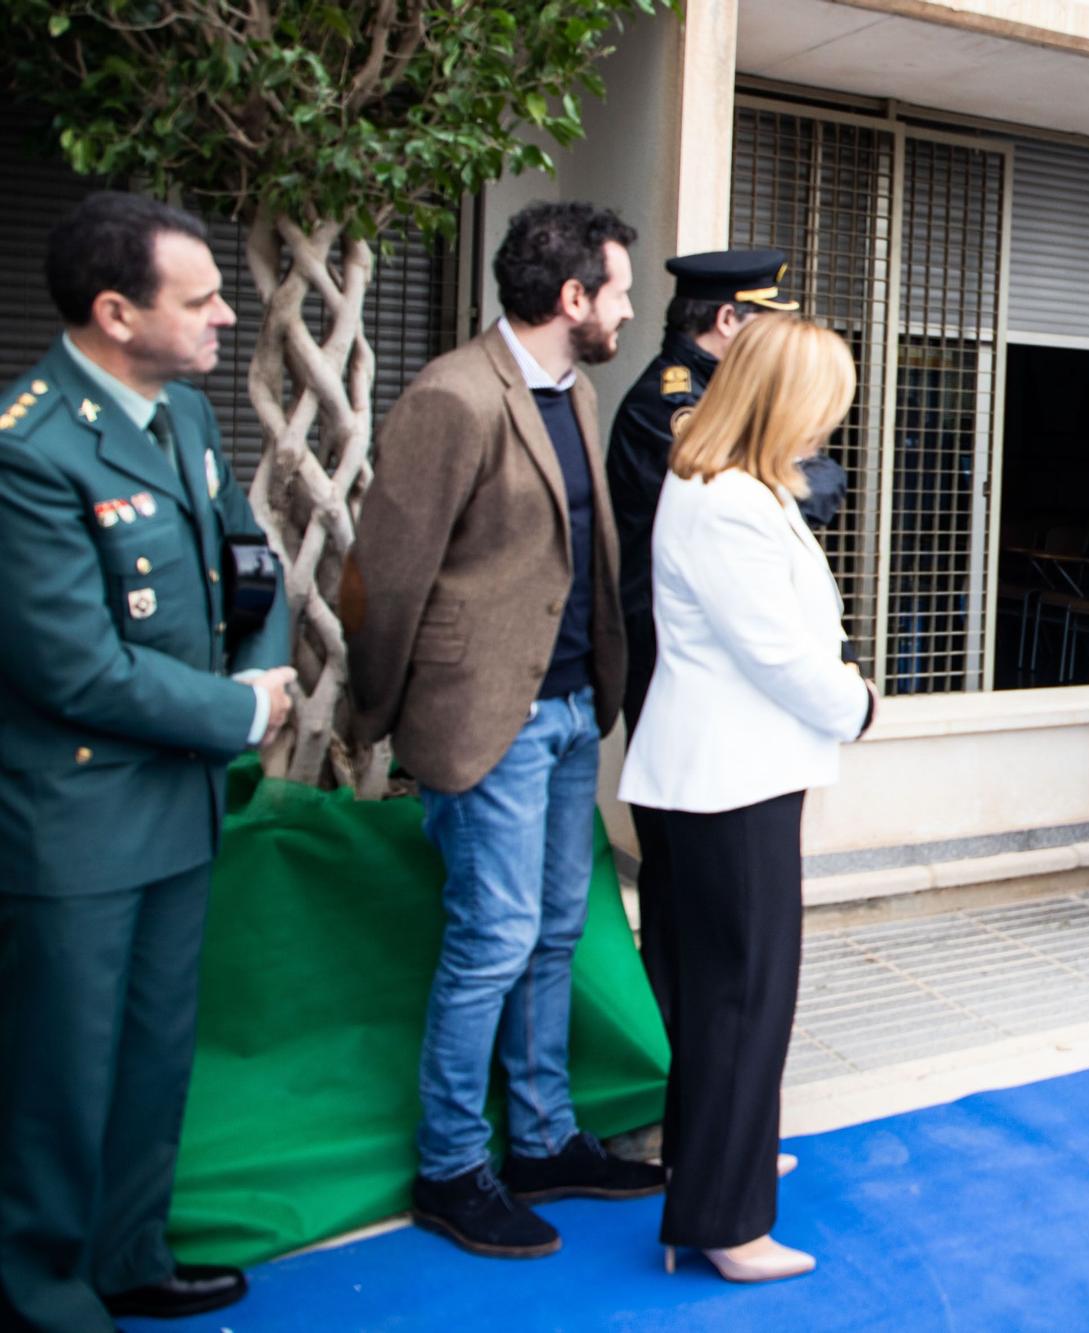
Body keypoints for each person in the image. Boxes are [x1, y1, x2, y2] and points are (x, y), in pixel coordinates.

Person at [341, 201, 659, 1260]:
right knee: (492, 940)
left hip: (572, 709)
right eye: (616, 290)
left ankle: (541, 1139)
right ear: (572, 300)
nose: (627, 308)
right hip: (490, 719)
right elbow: (386, 577)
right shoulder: (453, 396)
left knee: (555, 932)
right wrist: (372, 720)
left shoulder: (575, 389)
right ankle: (449, 1167)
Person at [0, 192, 293, 1330]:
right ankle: (41, 1290)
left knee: (153, 1052)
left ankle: (128, 1254)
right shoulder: (29, 449)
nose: (228, 315)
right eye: (203, 298)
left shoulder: (184, 417)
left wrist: (261, 677)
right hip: (76, 817)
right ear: (115, 312)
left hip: (176, 804)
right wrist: (232, 707)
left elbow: (245, 565)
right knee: (59, 1075)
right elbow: (70, 665)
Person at [618, 314, 875, 1285]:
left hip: (728, 775)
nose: (829, 425)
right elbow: (776, 652)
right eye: (826, 405)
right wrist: (857, 704)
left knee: (719, 988)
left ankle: (714, 1157)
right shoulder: (727, 499)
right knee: (743, 995)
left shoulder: (730, 487)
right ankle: (724, 1217)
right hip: (732, 780)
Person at [605, 248, 846, 1020]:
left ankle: (698, 1071)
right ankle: (677, 1057)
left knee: (733, 909)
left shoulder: (718, 401)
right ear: (728, 320)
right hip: (677, 664)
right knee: (688, 885)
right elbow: (802, 491)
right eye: (766, 324)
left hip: (729, 680)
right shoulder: (668, 402)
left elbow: (826, 479)